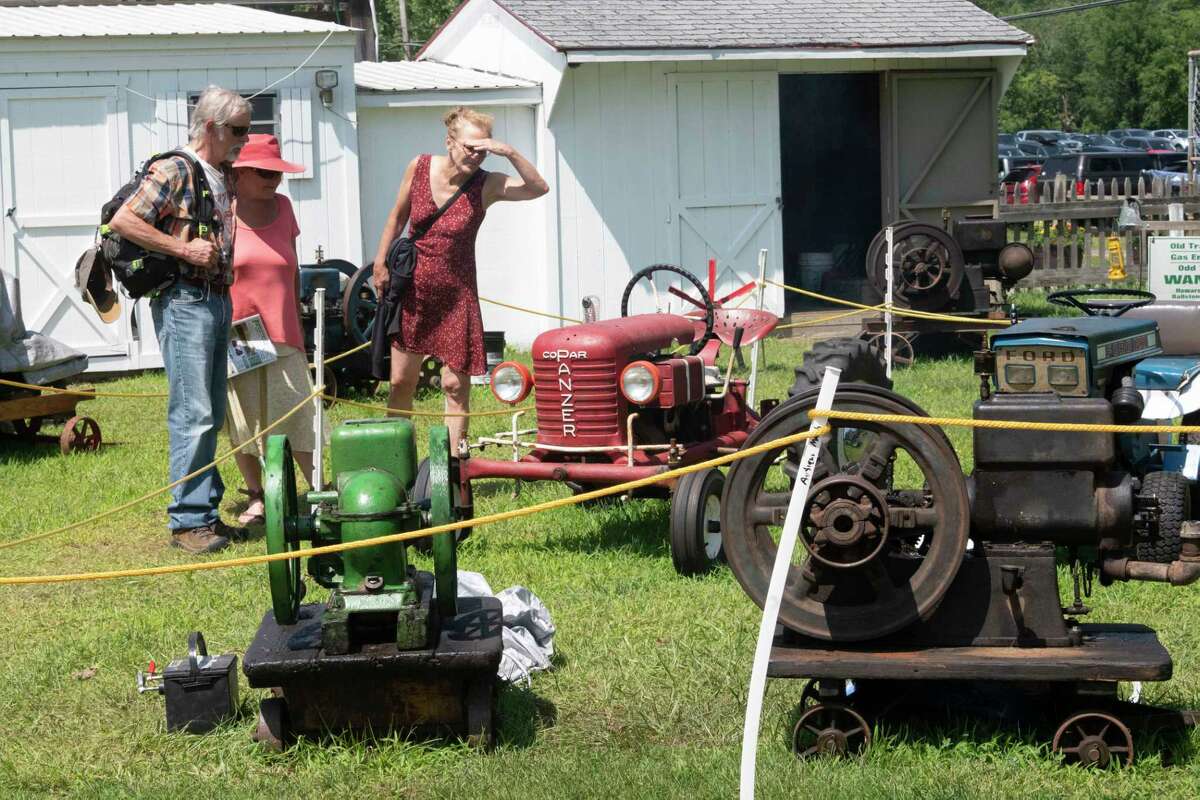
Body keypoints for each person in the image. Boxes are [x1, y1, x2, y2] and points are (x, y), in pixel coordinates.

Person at [109, 86, 250, 554]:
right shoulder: (174, 169)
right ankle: (188, 523)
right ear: (210, 126)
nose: (244, 140)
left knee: (208, 413)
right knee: (194, 414)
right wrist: (183, 249)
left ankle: (203, 514)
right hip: (184, 301)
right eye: (238, 131)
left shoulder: (219, 171)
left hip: (213, 298)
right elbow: (124, 222)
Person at [372, 106, 548, 446]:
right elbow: (396, 218)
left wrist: (508, 151)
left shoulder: (488, 184)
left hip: (457, 296)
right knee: (400, 381)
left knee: (454, 385)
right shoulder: (420, 166)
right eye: (470, 147)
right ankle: (396, 463)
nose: (477, 156)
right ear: (449, 142)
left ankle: (453, 471)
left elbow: (538, 187)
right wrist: (380, 264)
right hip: (413, 291)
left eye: (484, 149)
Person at [223, 134, 323, 525]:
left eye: (278, 173)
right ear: (240, 173)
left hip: (283, 328)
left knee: (296, 411)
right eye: (265, 172)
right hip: (239, 329)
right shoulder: (222, 211)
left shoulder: (284, 208)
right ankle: (257, 496)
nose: (274, 180)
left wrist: (298, 319)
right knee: (244, 417)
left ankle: (317, 489)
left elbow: (292, 267)